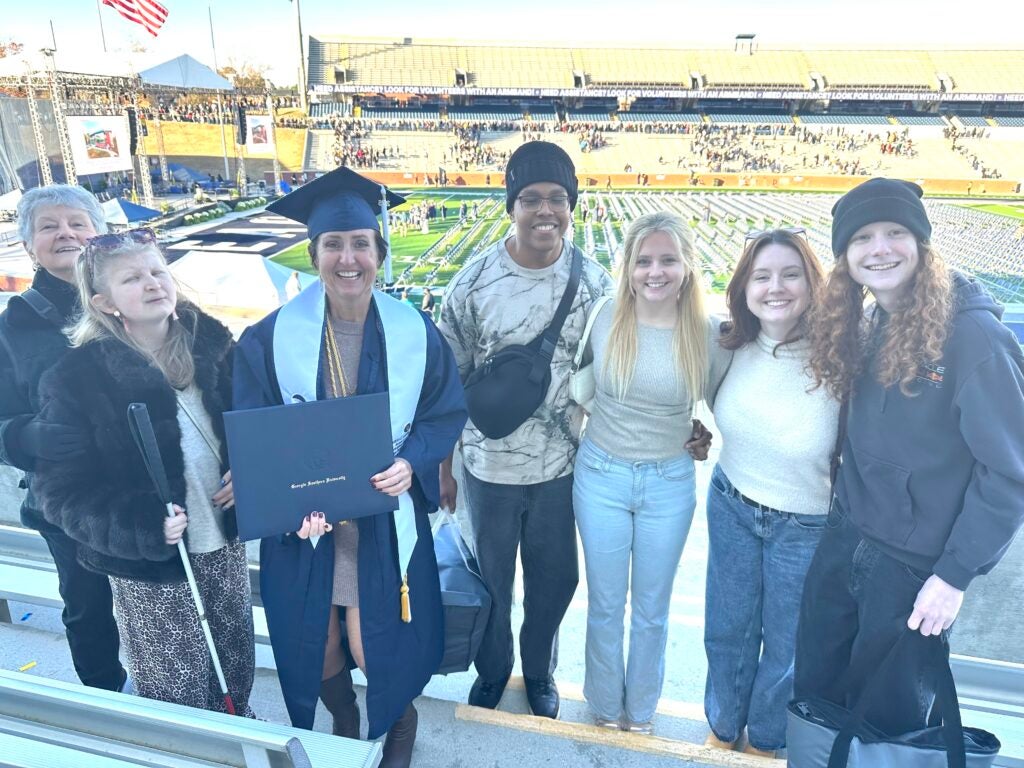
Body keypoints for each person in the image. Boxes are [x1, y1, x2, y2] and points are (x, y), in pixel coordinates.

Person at [233, 167, 466, 768]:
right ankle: (342, 720)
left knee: (377, 646)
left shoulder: (415, 332)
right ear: (313, 255)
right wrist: (273, 488)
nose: (347, 258)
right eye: (333, 244)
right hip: (305, 525)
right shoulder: (269, 337)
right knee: (323, 650)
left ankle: (396, 726)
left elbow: (443, 412)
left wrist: (412, 462)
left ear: (378, 252)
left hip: (382, 521)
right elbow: (252, 420)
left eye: (360, 243)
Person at [795, 178, 1024, 738]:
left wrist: (953, 576)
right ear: (845, 258)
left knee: (886, 726)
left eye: (896, 232)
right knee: (816, 701)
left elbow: (1011, 473)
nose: (880, 248)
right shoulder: (869, 319)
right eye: (862, 238)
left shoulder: (975, 338)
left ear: (922, 243)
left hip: (912, 571)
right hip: (845, 539)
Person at [33, 228, 254, 715]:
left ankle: (237, 734)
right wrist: (142, 524)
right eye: (132, 278)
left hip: (222, 541)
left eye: (158, 271)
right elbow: (59, 491)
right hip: (150, 563)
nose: (153, 283)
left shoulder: (216, 350)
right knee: (177, 685)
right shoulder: (77, 378)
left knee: (235, 666)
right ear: (104, 302)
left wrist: (254, 474)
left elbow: (258, 429)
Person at [439, 141, 613, 718]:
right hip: (487, 467)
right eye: (531, 199)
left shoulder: (595, 282)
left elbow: (618, 370)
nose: (546, 212)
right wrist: (445, 468)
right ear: (511, 206)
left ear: (571, 206)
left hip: (562, 467)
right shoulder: (473, 282)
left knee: (554, 581)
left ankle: (538, 669)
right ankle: (493, 670)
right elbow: (446, 381)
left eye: (557, 199)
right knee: (491, 583)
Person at [572, 211, 730, 735]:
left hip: (668, 482)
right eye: (643, 261)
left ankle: (639, 713)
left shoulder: (707, 333)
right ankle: (602, 705)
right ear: (629, 267)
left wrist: (702, 436)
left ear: (687, 267)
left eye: (667, 260)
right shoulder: (603, 316)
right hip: (601, 476)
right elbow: (576, 392)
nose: (654, 272)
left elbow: (730, 405)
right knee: (604, 604)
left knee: (651, 610)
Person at [702, 229, 835, 759]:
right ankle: (722, 726)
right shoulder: (729, 341)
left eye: (789, 274)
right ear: (744, 287)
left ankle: (768, 740)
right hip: (731, 501)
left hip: (806, 523)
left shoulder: (843, 353)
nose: (775, 288)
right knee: (727, 628)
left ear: (811, 282)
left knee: (787, 645)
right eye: (761, 276)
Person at [0, 184, 127, 693]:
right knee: (88, 608)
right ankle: (107, 705)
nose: (66, 233)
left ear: (98, 234)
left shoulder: (137, 295)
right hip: (67, 503)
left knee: (167, 607)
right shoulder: (13, 325)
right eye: (49, 226)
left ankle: (178, 702)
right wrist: (32, 436)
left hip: (148, 493)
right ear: (29, 245)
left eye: (78, 222)